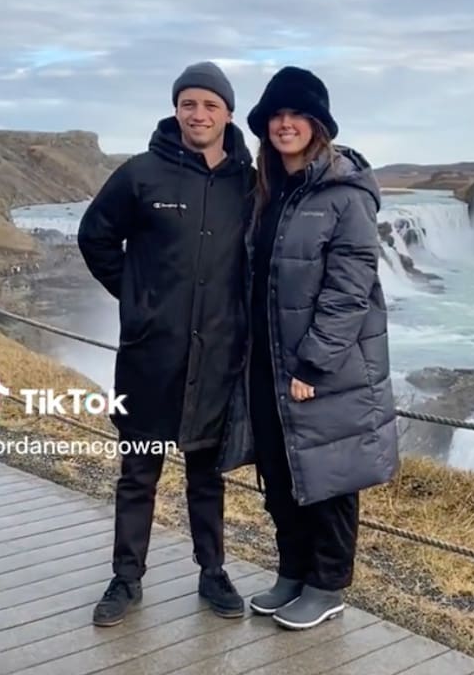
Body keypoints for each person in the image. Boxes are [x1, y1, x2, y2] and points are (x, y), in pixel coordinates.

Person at [218, 65, 399, 631]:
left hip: (323, 367)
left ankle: (328, 584)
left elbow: (350, 289)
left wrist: (315, 362)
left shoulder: (345, 195)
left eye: (297, 114)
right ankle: (292, 572)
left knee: (330, 477)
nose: (285, 124)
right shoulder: (267, 190)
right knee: (282, 470)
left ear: (318, 124)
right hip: (268, 361)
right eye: (276, 115)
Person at [78, 61, 255, 626]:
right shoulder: (140, 175)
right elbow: (95, 237)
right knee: (139, 475)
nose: (198, 114)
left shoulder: (248, 183)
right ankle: (126, 580)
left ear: (228, 113)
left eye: (210, 105)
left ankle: (213, 574)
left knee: (206, 478)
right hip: (151, 361)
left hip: (219, 361)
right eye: (188, 104)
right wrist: (139, 299)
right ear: (176, 109)